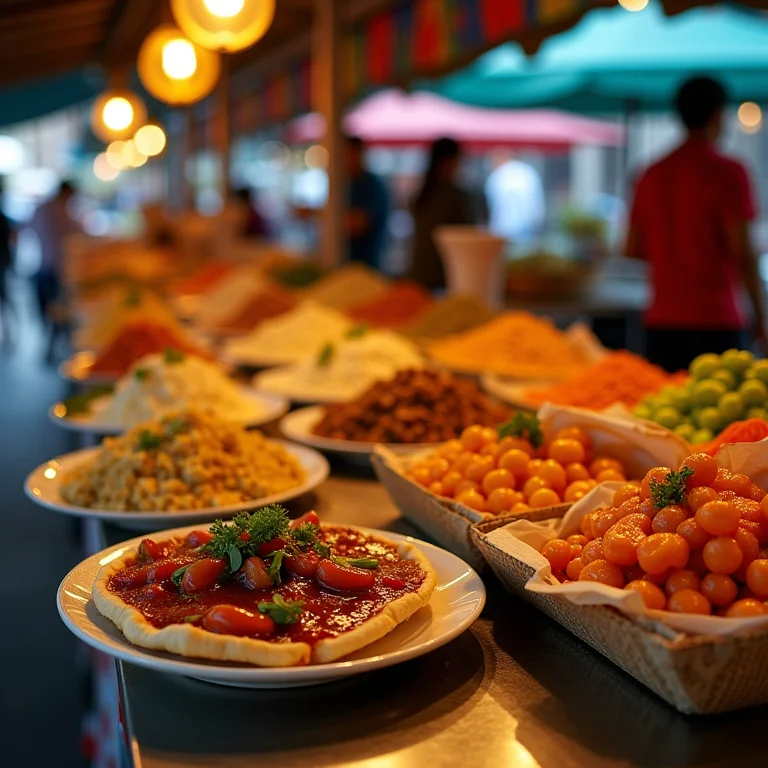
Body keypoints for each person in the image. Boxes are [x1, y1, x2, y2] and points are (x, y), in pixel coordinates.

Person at [626, 76, 766, 372]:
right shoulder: (729, 173)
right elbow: (744, 254)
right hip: (717, 318)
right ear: (718, 114)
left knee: (664, 412)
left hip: (661, 319)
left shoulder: (650, 174)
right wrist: (762, 318)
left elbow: (631, 249)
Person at [408, 137, 475, 291]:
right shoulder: (455, 196)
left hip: (418, 273)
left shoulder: (421, 194)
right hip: (444, 277)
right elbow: (469, 236)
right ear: (450, 161)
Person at [29, 180, 79, 326]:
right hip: (57, 267)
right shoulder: (61, 210)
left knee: (49, 314)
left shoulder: (41, 208)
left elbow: (26, 230)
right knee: (57, 312)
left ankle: (51, 338)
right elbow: (75, 234)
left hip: (43, 265)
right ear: (67, 192)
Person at [347, 136, 390, 269]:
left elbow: (358, 224)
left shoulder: (373, 186)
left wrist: (318, 215)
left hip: (368, 266)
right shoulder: (346, 185)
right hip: (348, 266)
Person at [485, 151, 545, 244]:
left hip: (502, 229)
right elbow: (536, 204)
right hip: (527, 227)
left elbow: (491, 206)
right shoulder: (527, 172)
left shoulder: (497, 176)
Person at [0, 179, 14, 345]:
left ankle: (8, 332)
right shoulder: (3, 218)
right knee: (5, 299)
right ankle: (8, 332)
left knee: (5, 299)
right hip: (3, 262)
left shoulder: (3, 217)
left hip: (3, 263)